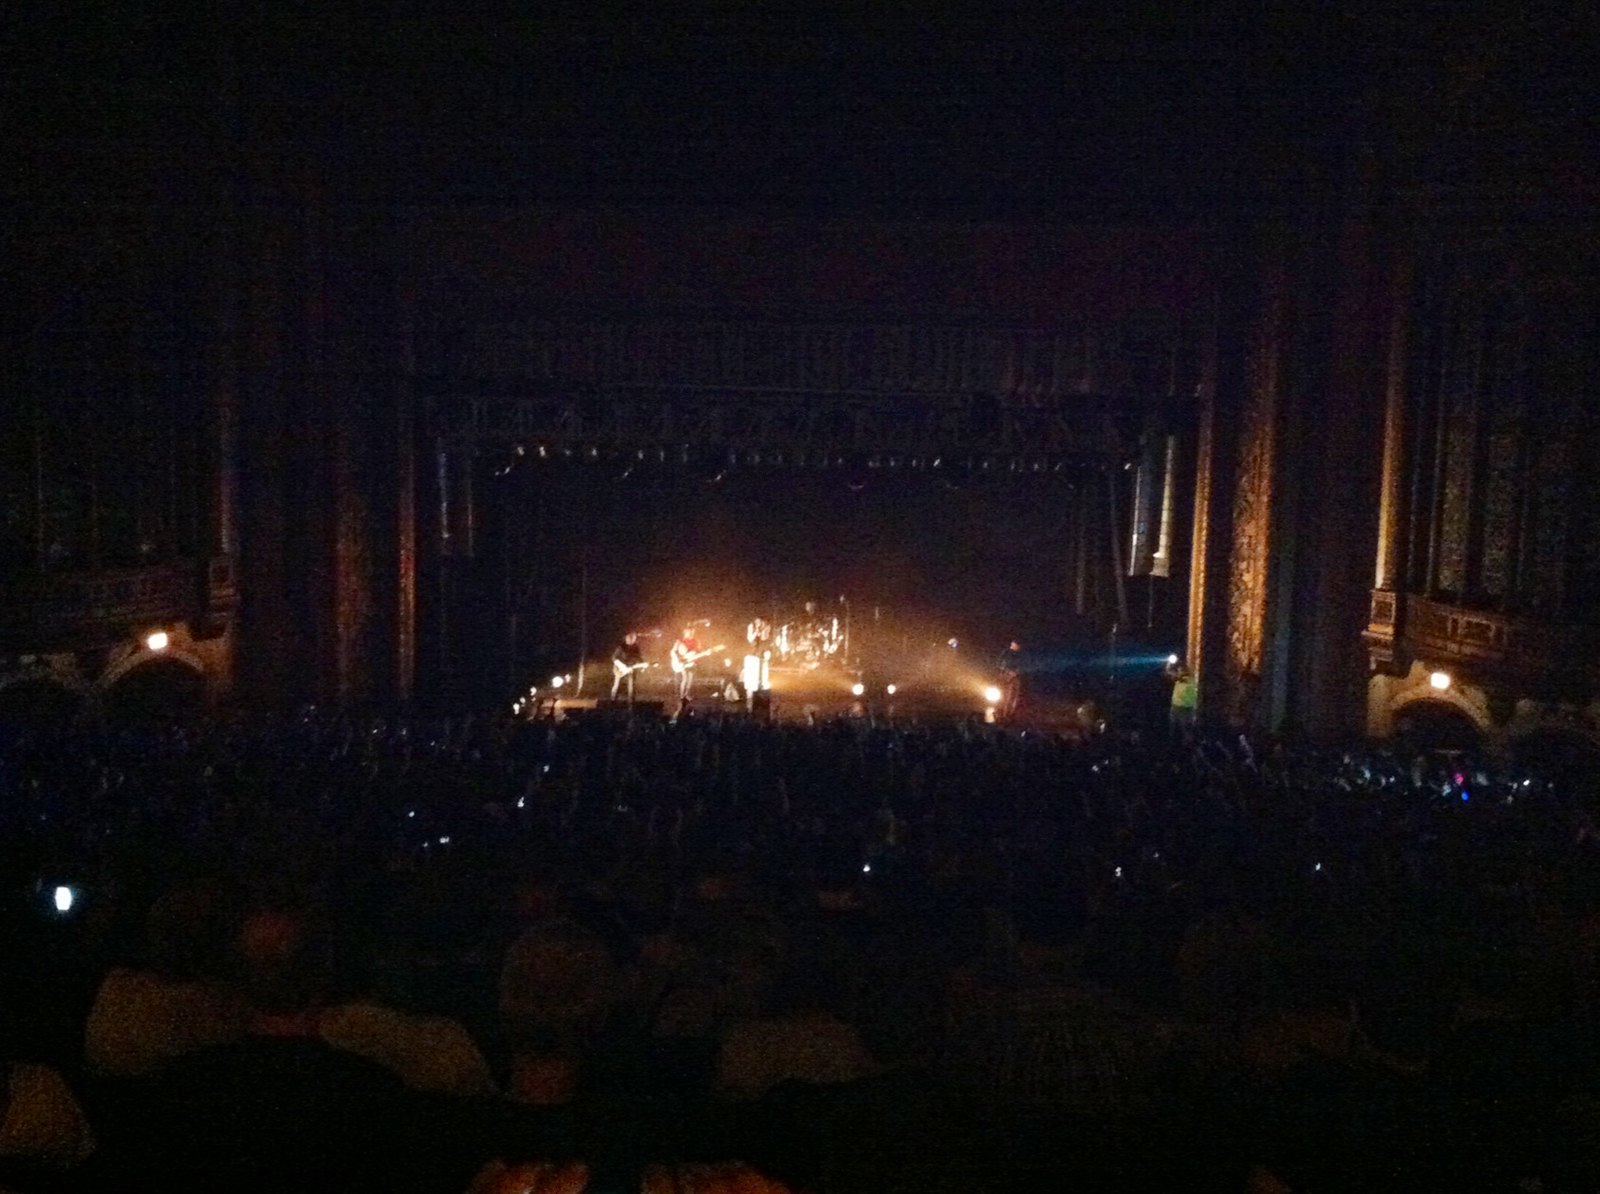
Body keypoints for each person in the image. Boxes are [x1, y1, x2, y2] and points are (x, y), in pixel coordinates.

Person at [742, 617, 772, 712]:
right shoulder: (751, 627)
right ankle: (749, 706)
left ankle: (760, 704)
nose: (758, 623)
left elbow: (765, 639)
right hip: (751, 657)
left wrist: (763, 630)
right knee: (750, 684)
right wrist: (756, 631)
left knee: (762, 682)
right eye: (756, 621)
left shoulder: (765, 628)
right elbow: (750, 639)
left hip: (761, 657)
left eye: (760, 621)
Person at [611, 632, 647, 704]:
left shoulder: (636, 647)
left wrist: (643, 665)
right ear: (626, 639)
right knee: (617, 686)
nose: (632, 640)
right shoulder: (621, 647)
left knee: (631, 687)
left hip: (631, 669)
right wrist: (622, 666)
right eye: (630, 638)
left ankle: (631, 704)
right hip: (620, 670)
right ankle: (612, 702)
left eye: (633, 639)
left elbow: (639, 657)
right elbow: (614, 658)